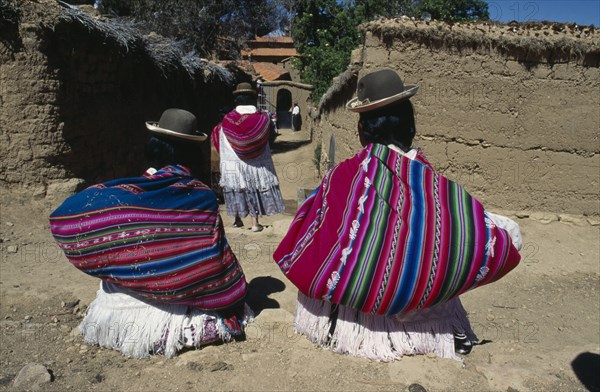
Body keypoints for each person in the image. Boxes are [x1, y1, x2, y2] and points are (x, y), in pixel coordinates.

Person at [273, 69, 522, 361]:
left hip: (353, 322)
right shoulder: (432, 183)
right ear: (410, 127)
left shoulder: (344, 177)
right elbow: (488, 237)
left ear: (363, 130)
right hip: (424, 315)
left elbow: (309, 232)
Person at [49, 108, 253, 358]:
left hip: (114, 313)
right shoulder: (200, 196)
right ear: (192, 152)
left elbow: (66, 216)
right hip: (173, 318)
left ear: (154, 146)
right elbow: (213, 259)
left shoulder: (133, 190)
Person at [211, 82, 285, 232]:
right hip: (256, 162)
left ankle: (237, 219)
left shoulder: (227, 120)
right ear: (253, 98)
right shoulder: (263, 119)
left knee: (236, 186)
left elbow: (218, 139)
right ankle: (255, 222)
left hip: (234, 162)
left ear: (237, 99)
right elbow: (270, 136)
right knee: (254, 187)